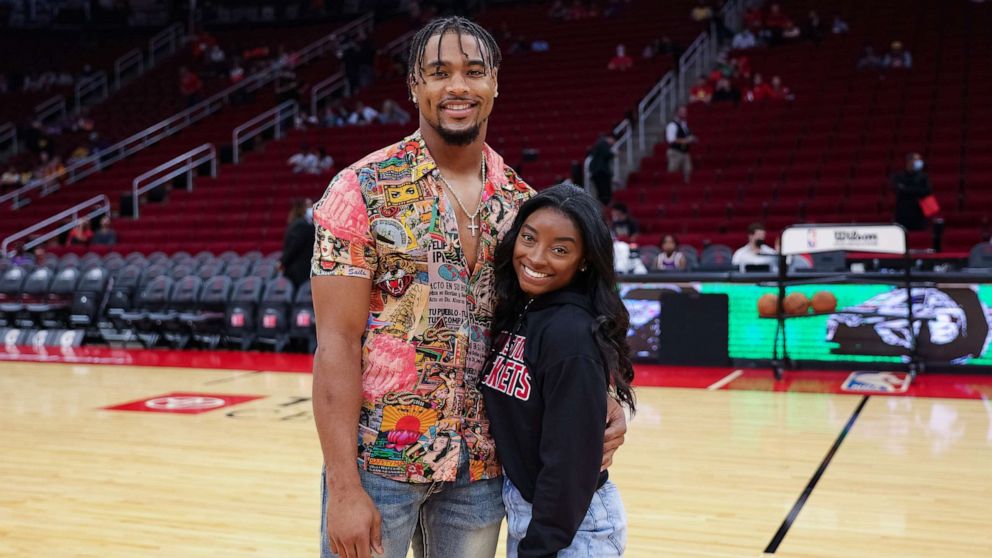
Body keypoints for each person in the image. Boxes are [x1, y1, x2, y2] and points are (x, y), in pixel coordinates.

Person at [311, 17, 627, 558]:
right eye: (439, 73)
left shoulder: (523, 206)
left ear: (495, 82)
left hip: (481, 473)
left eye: (473, 71)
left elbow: (560, 319)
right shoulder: (359, 190)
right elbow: (336, 343)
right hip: (379, 465)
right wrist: (343, 487)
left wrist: (605, 388)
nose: (457, 86)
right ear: (414, 85)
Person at [482, 184, 634, 557]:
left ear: (584, 261)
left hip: (571, 528)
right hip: (537, 513)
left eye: (560, 249)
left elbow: (569, 460)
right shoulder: (524, 310)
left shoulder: (570, 334)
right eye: (529, 238)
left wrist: (541, 545)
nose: (536, 257)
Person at [891, 153, 932, 231]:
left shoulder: (924, 177)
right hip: (903, 212)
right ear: (909, 161)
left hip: (919, 213)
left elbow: (927, 191)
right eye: (917, 160)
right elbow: (897, 190)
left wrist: (906, 189)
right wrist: (916, 190)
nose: (919, 162)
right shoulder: (899, 176)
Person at [280, 198, 315, 288]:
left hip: (299, 268)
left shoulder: (302, 223)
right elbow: (293, 248)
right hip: (298, 270)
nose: (311, 208)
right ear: (301, 208)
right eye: (308, 205)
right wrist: (283, 262)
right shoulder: (301, 224)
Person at [666, 105, 697, 184]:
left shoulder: (684, 125)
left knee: (688, 173)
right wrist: (686, 140)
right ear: (677, 113)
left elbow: (686, 136)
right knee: (673, 174)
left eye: (685, 112)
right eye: (682, 112)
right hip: (675, 153)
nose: (684, 113)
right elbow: (671, 140)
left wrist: (692, 139)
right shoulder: (672, 125)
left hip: (685, 153)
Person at [588, 134, 615, 205]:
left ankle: (602, 204)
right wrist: (613, 154)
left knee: (600, 192)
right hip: (601, 172)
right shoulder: (603, 144)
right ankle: (604, 205)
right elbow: (607, 154)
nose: (613, 143)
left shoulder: (598, 144)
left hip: (596, 172)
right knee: (604, 192)